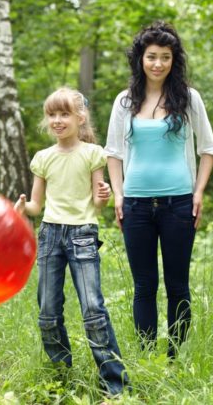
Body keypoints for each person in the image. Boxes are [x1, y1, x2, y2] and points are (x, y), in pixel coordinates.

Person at [105, 21, 213, 358]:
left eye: (165, 57)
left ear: (174, 60)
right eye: (151, 56)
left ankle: (175, 357)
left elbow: (209, 149)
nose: (158, 64)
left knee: (177, 285)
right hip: (136, 205)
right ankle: (145, 356)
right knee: (144, 286)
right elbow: (113, 153)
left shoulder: (188, 98)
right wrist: (119, 194)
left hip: (179, 204)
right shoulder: (125, 102)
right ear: (140, 59)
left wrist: (198, 192)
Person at [15, 87, 128, 396]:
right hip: (50, 234)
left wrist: (103, 195)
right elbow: (36, 207)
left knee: (93, 310)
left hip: (82, 235)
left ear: (80, 118)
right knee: (48, 312)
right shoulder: (43, 158)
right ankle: (61, 379)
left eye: (64, 114)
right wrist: (24, 208)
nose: (57, 120)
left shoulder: (94, 153)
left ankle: (114, 387)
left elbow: (98, 200)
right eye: (52, 114)